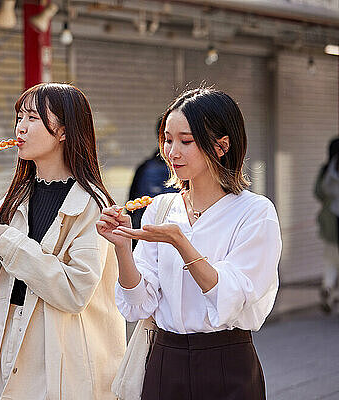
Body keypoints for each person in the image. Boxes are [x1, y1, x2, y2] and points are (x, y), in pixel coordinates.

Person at [0, 83, 126, 399]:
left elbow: (74, 291)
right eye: (19, 117)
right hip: (2, 346)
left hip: (57, 354)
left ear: (64, 132)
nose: (20, 128)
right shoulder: (15, 198)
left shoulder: (93, 205)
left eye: (33, 118)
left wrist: (10, 244)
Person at [97, 88, 282, 400]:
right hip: (164, 358)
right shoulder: (161, 207)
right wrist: (121, 247)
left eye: (186, 141)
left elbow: (232, 299)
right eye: (168, 140)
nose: (172, 151)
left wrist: (181, 243)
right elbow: (140, 302)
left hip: (227, 359)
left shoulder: (255, 212)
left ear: (221, 146)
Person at [128, 116, 177, 248]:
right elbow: (133, 209)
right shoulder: (145, 169)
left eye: (186, 140)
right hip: (147, 240)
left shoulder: (145, 168)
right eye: (169, 139)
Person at [317, 137, 339, 313]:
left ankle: (328, 287)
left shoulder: (327, 169)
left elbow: (317, 191)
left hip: (331, 223)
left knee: (330, 260)